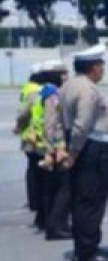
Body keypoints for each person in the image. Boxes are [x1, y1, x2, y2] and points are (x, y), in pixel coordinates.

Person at [59, 45, 108, 261]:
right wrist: (74, 151)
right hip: (92, 150)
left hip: (86, 148)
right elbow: (82, 124)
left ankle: (87, 244)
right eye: (101, 65)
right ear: (94, 67)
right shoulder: (87, 90)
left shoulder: (69, 85)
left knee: (83, 199)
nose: (103, 69)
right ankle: (87, 251)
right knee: (91, 200)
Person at [36, 61, 71, 241]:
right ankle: (56, 227)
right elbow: (51, 125)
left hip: (45, 146)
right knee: (63, 188)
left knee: (51, 188)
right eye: (64, 74)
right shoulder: (53, 95)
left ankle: (51, 223)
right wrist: (55, 148)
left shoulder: (43, 92)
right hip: (55, 148)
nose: (66, 77)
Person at [15, 66, 43, 214]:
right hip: (35, 136)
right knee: (38, 172)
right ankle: (36, 201)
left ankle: (33, 200)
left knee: (32, 170)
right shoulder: (37, 90)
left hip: (27, 134)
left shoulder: (27, 87)